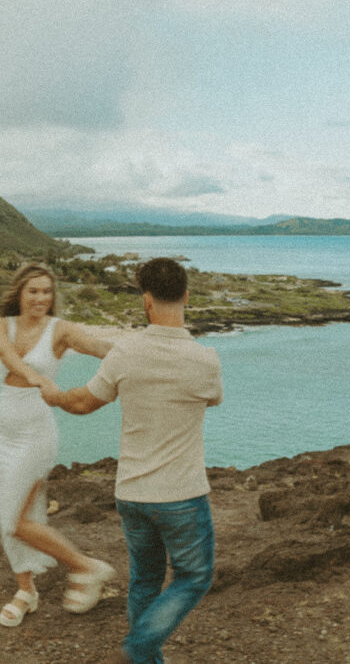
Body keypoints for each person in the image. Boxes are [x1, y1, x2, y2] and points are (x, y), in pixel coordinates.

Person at [39, 257, 222, 664]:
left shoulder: (124, 354)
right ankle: (136, 650)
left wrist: (54, 396)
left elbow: (84, 403)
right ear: (187, 296)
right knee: (194, 576)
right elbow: (213, 397)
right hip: (182, 496)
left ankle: (143, 661)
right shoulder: (206, 359)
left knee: (145, 581)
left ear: (146, 301)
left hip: (132, 494)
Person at [0, 262, 117, 628]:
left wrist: (144, 351)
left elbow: (99, 346)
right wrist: (36, 377)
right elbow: (6, 356)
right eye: (34, 291)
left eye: (47, 292)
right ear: (19, 293)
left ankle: (86, 567)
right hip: (3, 433)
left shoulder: (59, 331)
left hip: (35, 435)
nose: (41, 298)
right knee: (6, 515)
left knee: (17, 520)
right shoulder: (1, 325)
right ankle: (26, 591)